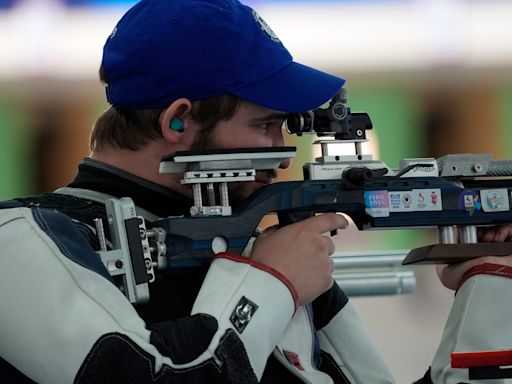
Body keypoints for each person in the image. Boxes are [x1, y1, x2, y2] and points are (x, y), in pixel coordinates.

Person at [1, 0, 512, 383]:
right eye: (266, 125)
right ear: (179, 121)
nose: (281, 148)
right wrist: (269, 282)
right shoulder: (16, 242)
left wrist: (491, 286)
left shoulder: (255, 248)